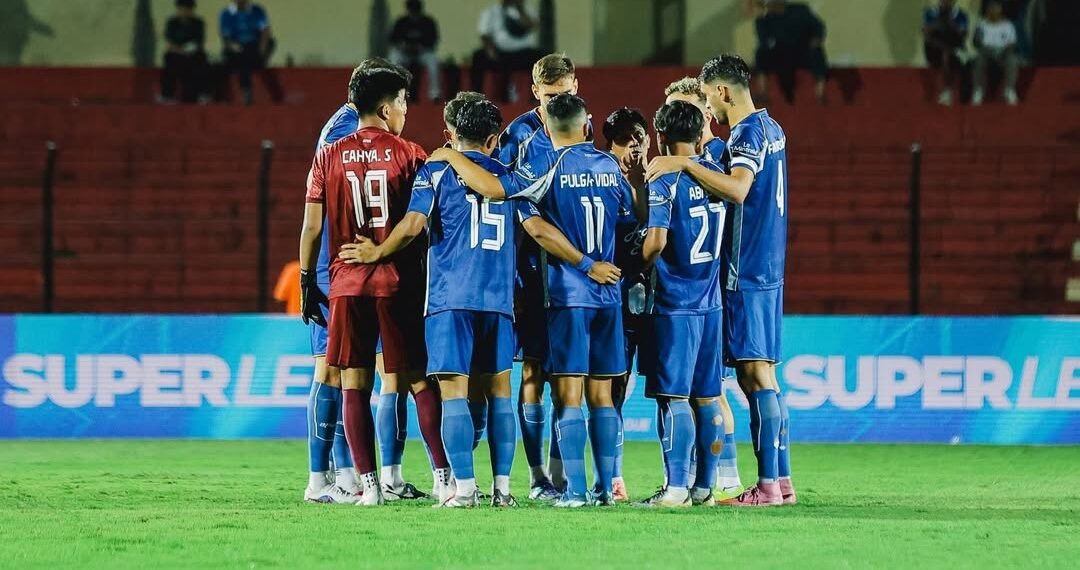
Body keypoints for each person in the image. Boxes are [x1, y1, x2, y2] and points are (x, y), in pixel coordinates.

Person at [340, 98, 619, 507]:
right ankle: (504, 489)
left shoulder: (435, 170)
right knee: (500, 393)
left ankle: (465, 490)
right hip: (500, 299)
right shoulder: (510, 175)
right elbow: (535, 227)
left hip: (451, 298)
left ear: (451, 134)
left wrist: (376, 253)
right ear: (493, 139)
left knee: (455, 393)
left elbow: (414, 225)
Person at [431, 93, 647, 507]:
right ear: (587, 127)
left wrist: (449, 155)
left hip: (569, 295)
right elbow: (634, 217)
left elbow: (507, 199)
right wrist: (636, 183)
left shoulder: (545, 165)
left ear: (547, 130)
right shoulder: (608, 166)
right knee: (602, 396)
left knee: (568, 397)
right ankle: (606, 489)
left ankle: (577, 491)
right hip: (610, 297)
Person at [646, 54, 795, 507]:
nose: (709, 109)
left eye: (709, 97)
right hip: (768, 265)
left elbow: (739, 189)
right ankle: (780, 480)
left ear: (724, 91)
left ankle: (767, 485)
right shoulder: (774, 128)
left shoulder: (747, 134)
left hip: (745, 268)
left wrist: (684, 164)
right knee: (761, 375)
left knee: (753, 376)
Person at [299, 67, 450, 506]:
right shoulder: (410, 154)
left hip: (345, 285)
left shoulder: (327, 155)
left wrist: (309, 280)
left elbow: (311, 228)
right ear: (385, 108)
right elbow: (420, 223)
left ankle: (368, 489)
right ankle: (443, 477)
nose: (405, 109)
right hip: (397, 284)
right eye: (403, 101)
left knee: (353, 384)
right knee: (419, 380)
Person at [494, 53, 588, 500]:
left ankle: (561, 471)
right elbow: (508, 197)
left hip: (573, 273)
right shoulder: (518, 134)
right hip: (531, 271)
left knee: (566, 374)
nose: (558, 103)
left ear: (576, 86)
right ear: (535, 92)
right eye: (551, 96)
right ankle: (535, 477)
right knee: (533, 371)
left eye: (565, 94)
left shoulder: (583, 126)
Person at [638, 100, 728, 507]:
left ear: (661, 137)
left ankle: (675, 488)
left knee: (673, 397)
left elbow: (655, 242)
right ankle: (705, 488)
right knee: (707, 397)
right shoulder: (718, 173)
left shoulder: (663, 179)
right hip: (711, 302)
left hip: (675, 304)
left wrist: (634, 260)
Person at [663, 77, 743, 498]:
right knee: (707, 393)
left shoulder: (715, 157)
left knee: (710, 392)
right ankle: (708, 478)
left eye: (686, 108)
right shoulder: (712, 159)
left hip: (701, 291)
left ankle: (724, 475)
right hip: (707, 291)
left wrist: (677, 164)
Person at [600, 107, 650, 502]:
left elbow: (647, 220)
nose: (632, 147)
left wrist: (642, 172)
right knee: (608, 387)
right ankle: (611, 477)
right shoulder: (603, 176)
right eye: (626, 140)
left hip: (647, 299)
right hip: (609, 296)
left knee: (666, 389)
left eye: (638, 138)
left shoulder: (652, 176)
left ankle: (688, 482)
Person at [753, 0, 828, 104]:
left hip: (802, 52)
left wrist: (816, 39)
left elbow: (818, 26)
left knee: (817, 52)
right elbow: (764, 41)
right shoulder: (764, 19)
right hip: (779, 54)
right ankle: (762, 92)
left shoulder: (800, 11)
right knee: (761, 53)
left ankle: (820, 93)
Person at [471, 0, 546, 102]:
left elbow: (531, 25)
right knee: (478, 57)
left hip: (522, 53)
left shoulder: (528, 10)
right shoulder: (491, 12)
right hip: (499, 54)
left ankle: (538, 98)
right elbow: (484, 34)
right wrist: (490, 49)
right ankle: (475, 98)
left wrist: (520, 9)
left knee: (542, 58)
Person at [219, 0, 281, 105]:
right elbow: (226, 38)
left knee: (266, 45)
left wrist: (261, 50)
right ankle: (245, 93)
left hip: (254, 47)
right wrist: (235, 47)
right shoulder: (226, 14)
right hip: (237, 49)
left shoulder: (257, 10)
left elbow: (265, 31)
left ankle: (273, 95)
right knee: (241, 58)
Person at [388, 0, 441, 103]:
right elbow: (393, 40)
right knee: (394, 58)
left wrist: (420, 46)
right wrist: (403, 46)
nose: (414, 16)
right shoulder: (401, 22)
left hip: (422, 53)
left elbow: (433, 41)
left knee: (433, 61)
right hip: (405, 54)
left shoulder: (428, 22)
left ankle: (435, 94)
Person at [160, 0, 210, 104]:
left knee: (202, 58)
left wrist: (188, 50)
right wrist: (181, 51)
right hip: (177, 54)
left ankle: (203, 94)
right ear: (178, 9)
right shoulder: (172, 23)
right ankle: (167, 95)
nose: (185, 11)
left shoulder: (198, 23)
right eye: (182, 8)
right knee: (169, 58)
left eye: (188, 9)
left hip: (192, 54)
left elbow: (199, 42)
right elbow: (170, 44)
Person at [973, 0, 1020, 105]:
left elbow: (1012, 44)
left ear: (1000, 9)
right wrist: (977, 37)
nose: (993, 10)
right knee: (979, 58)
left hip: (1003, 54)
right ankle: (978, 90)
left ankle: (1009, 90)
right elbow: (976, 43)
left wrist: (1003, 50)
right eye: (991, 7)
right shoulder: (982, 24)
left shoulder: (1008, 25)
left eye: (996, 7)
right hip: (987, 53)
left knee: (1013, 59)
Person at [923, 0, 970, 106]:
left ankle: (950, 92)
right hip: (935, 49)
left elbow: (963, 34)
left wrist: (949, 24)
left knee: (949, 56)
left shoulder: (961, 15)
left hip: (954, 49)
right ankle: (946, 91)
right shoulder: (931, 12)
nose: (945, 2)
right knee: (945, 53)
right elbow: (926, 34)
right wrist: (940, 24)